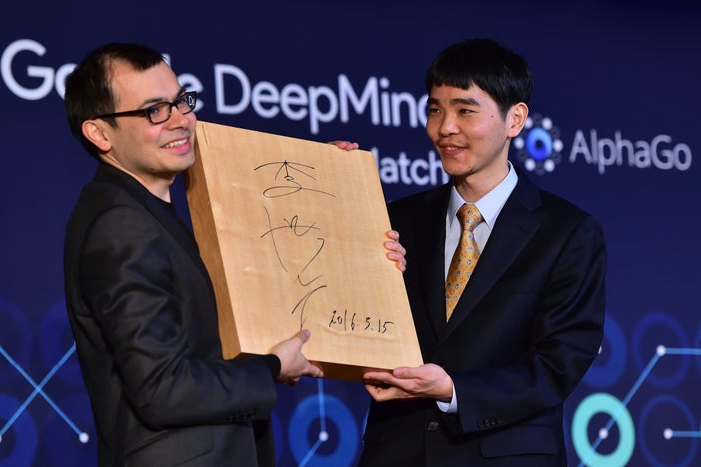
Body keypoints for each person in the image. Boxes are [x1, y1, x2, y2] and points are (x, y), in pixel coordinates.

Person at [62, 43, 406, 467]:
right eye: (154, 110)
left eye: (181, 101)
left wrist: (324, 177)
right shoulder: (121, 224)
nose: (181, 120)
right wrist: (271, 367)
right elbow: (162, 389)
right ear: (99, 133)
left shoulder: (149, 212)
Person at [359, 38, 606, 466]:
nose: (445, 127)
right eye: (435, 109)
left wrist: (453, 390)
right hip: (396, 452)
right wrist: (332, 186)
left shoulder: (568, 232)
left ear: (515, 119)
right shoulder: (394, 219)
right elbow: (346, 321)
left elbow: (556, 365)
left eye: (465, 110)